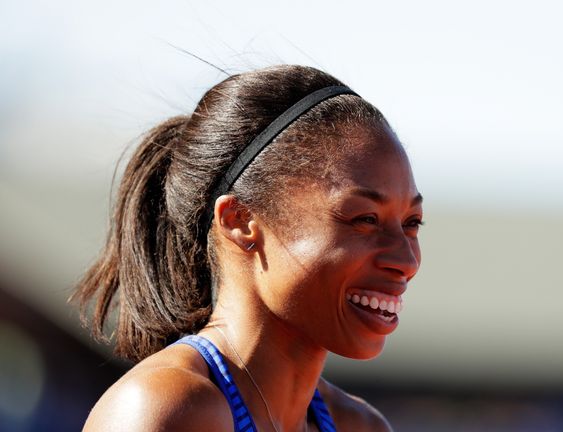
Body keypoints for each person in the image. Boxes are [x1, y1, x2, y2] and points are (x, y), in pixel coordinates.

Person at [71, 65, 423, 431]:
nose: (406, 260)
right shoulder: (164, 410)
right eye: (365, 219)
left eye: (412, 223)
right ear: (240, 220)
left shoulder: (360, 425)